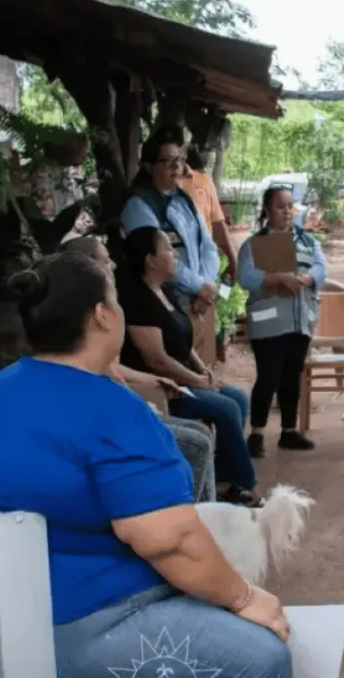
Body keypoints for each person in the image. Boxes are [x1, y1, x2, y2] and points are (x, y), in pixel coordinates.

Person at [0, 253, 290, 677]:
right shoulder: (110, 409)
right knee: (266, 656)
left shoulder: (1, 387)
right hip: (80, 623)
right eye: (114, 298)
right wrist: (245, 598)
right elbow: (170, 541)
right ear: (102, 316)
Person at [62, 237, 217, 502]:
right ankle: (186, 524)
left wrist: (156, 380)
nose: (112, 265)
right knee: (197, 443)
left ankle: (205, 516)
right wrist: (141, 406)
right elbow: (105, 375)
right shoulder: (90, 316)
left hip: (115, 408)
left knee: (200, 433)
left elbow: (113, 368)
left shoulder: (108, 305)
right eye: (105, 259)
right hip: (102, 422)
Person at [117, 225, 262, 507]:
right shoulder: (136, 299)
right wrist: (197, 382)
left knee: (238, 398)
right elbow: (157, 360)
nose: (175, 256)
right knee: (227, 407)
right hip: (165, 387)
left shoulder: (165, 291)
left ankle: (221, 477)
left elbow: (183, 343)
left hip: (186, 376)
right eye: (168, 249)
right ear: (150, 260)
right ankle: (245, 485)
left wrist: (202, 371)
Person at [239, 184, 327, 457]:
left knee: (292, 377)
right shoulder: (253, 245)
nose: (287, 212)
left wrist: (306, 279)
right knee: (268, 376)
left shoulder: (308, 241)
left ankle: (288, 432)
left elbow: (321, 269)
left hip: (299, 321)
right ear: (267, 210)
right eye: (280, 206)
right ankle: (256, 433)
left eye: (290, 206)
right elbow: (246, 277)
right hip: (268, 325)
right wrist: (277, 279)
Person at [121, 128, 221, 364]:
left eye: (179, 160)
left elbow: (208, 245)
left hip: (199, 303)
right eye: (168, 162)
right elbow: (157, 259)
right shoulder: (139, 206)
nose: (177, 168)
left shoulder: (184, 199)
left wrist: (206, 287)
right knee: (184, 374)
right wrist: (200, 286)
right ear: (148, 166)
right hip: (168, 306)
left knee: (204, 371)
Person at [181, 145, 238, 284]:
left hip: (205, 267)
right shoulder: (160, 187)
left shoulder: (204, 181)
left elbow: (217, 223)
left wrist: (232, 258)